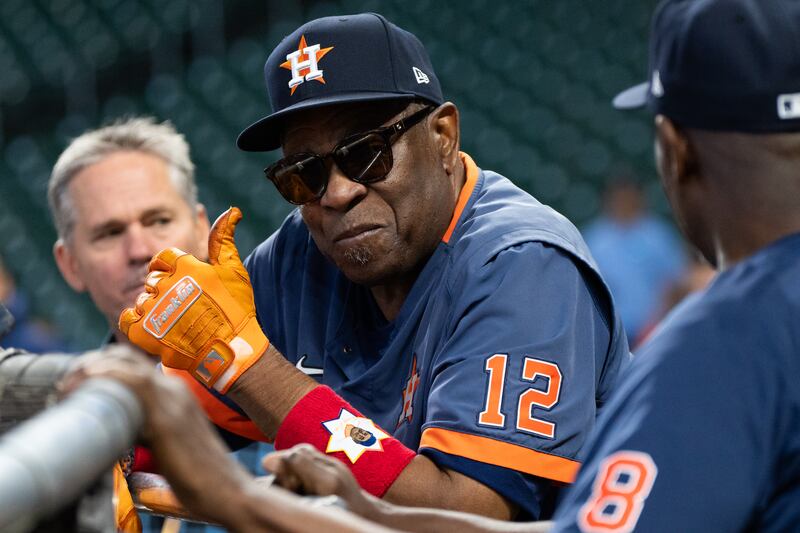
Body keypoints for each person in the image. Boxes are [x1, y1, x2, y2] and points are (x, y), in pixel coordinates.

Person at [118, 12, 630, 521]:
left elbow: (472, 516)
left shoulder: (522, 265)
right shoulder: (301, 254)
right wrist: (111, 463)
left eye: (368, 153)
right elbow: (165, 422)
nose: (337, 193)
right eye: (305, 174)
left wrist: (242, 363)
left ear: (443, 137)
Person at [47, 117, 268, 532]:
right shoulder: (60, 431)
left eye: (159, 221)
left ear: (202, 228)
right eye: (109, 233)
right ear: (70, 264)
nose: (140, 250)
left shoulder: (298, 366)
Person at [583, 177, 685, 344]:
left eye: (629, 197)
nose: (624, 203)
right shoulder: (595, 238)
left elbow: (675, 282)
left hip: (655, 330)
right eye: (619, 198)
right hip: (609, 332)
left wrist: (658, 321)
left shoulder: (658, 236)